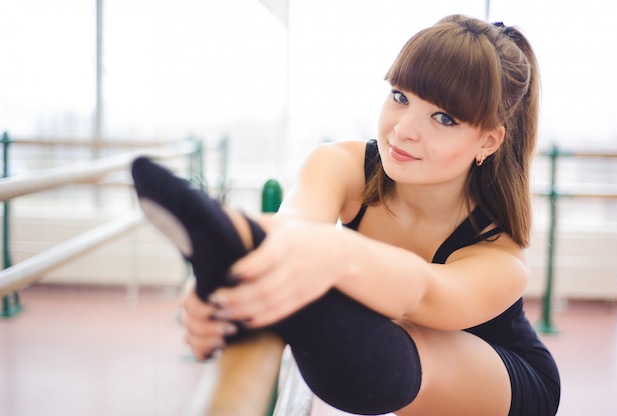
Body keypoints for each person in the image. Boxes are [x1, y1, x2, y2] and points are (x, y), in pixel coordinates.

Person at [133, 14, 560, 416]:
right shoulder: (340, 164)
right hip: (379, 338)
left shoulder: (502, 256)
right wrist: (223, 283)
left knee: (402, 346)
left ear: (488, 141)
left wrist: (333, 253)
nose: (404, 129)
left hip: (496, 374)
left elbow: (421, 293)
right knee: (303, 286)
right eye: (400, 97)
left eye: (444, 118)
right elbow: (295, 227)